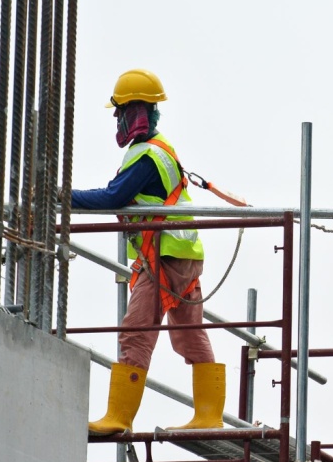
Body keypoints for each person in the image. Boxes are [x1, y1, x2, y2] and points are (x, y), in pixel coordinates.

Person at [73, 69, 225, 436]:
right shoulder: (163, 149)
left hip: (163, 257)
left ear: (135, 112)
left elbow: (113, 197)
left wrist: (61, 195)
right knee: (190, 333)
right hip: (183, 254)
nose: (116, 119)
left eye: (120, 111)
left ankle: (118, 418)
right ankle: (209, 417)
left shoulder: (145, 156)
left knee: (136, 331)